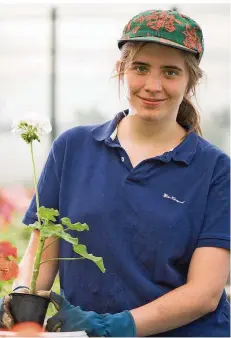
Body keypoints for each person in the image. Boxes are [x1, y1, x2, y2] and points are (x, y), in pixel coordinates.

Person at [0, 8, 230, 337]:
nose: (153, 85)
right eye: (141, 68)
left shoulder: (214, 168)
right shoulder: (73, 148)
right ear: (121, 70)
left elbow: (205, 293)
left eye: (170, 72)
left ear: (190, 81)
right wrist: (20, 304)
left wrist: (114, 327)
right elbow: (42, 250)